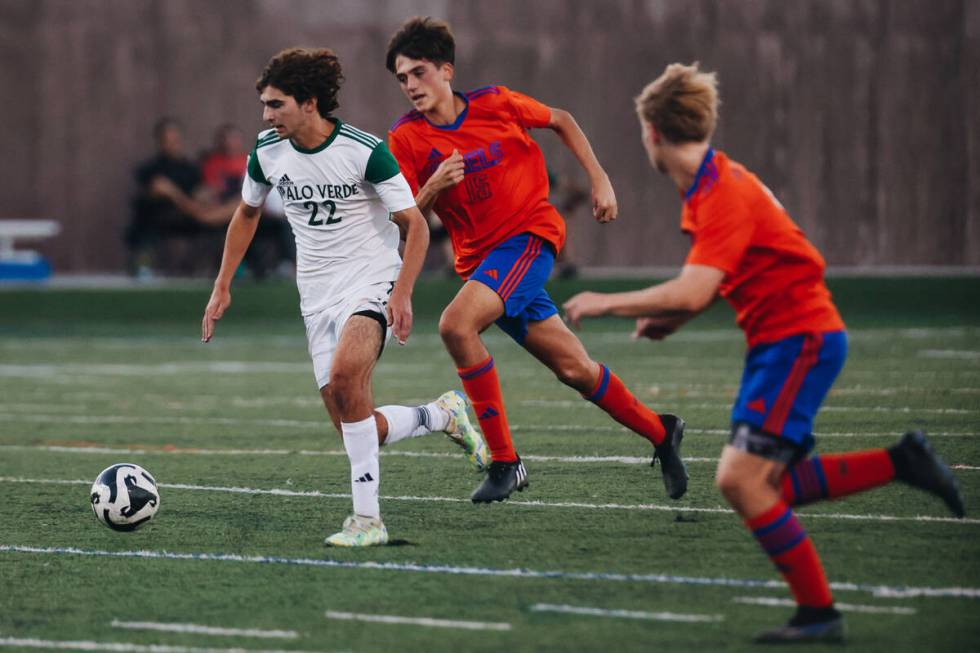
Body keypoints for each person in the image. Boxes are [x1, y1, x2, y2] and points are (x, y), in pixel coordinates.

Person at [563, 62, 966, 643]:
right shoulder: (710, 184)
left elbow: (697, 286)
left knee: (741, 482)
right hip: (783, 342)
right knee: (767, 483)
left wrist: (606, 302)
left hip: (798, 340)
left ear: (652, 133)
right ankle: (903, 464)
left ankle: (820, 612)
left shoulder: (722, 191)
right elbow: (717, 279)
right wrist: (669, 321)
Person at [384, 17, 687, 504]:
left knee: (456, 325)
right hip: (485, 267)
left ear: (446, 70)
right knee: (576, 371)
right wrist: (432, 188)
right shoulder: (405, 139)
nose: (410, 85)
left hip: (529, 239)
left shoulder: (495, 102)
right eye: (401, 78)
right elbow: (404, 220)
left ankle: (505, 462)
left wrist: (600, 179)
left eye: (418, 72)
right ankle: (661, 430)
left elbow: (562, 119)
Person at [202, 47, 489, 547]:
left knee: (344, 376)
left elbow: (416, 227)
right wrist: (222, 284)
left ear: (309, 102)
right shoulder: (266, 151)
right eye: (264, 105)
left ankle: (367, 521)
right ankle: (442, 415)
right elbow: (247, 214)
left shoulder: (365, 151)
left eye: (276, 105)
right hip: (315, 297)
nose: (266, 116)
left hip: (370, 281)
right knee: (356, 426)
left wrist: (401, 294)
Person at [127, 118, 225, 276]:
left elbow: (198, 191)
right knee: (143, 215)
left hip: (190, 215)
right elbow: (155, 190)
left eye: (175, 139)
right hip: (159, 215)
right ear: (159, 141)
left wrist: (202, 195)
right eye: (167, 140)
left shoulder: (190, 168)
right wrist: (177, 197)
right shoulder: (150, 168)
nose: (172, 144)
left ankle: (219, 267)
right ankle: (143, 264)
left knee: (218, 220)